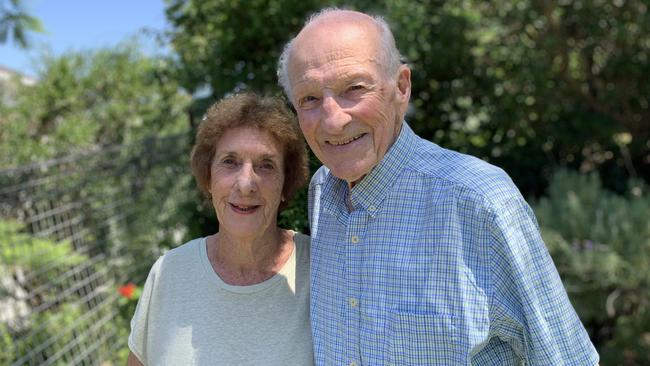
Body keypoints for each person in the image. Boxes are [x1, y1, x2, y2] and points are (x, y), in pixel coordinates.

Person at [277, 8, 600, 365]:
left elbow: (567, 358)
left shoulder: (480, 201)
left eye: (354, 88)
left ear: (401, 87)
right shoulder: (323, 191)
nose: (333, 120)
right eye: (309, 99)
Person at [126, 93, 312, 365]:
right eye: (230, 162)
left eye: (266, 165)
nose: (246, 183)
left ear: (285, 185)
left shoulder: (321, 270)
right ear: (208, 177)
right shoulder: (169, 273)